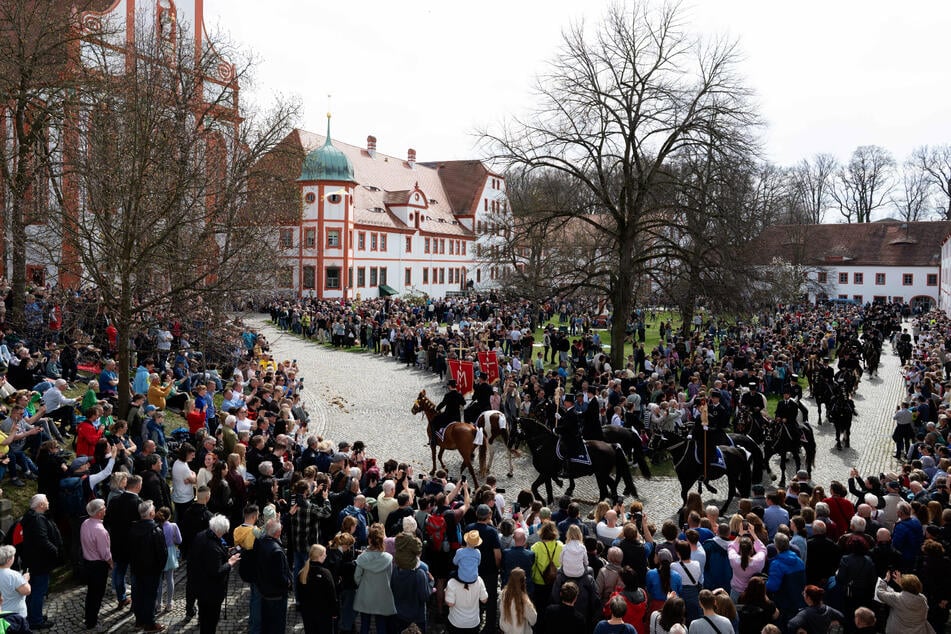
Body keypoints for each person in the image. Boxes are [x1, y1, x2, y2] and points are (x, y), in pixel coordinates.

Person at [188, 514, 241, 634]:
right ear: (219, 531)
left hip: (200, 586)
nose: (223, 535)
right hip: (211, 592)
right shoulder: (212, 547)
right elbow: (217, 571)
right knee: (210, 621)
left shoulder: (201, 535)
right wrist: (230, 562)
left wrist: (225, 551)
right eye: (223, 533)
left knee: (203, 617)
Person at [19, 494, 61, 630]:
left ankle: (32, 616)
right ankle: (36, 620)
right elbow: (42, 540)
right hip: (40, 562)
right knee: (39, 591)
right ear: (41, 505)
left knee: (33, 591)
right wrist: (55, 550)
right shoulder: (37, 519)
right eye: (46, 501)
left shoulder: (31, 517)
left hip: (33, 560)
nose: (48, 502)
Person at [128, 500, 169, 632]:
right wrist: (160, 568)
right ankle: (150, 624)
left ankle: (139, 621)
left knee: (138, 595)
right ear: (151, 513)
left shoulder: (133, 528)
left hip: (136, 569)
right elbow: (162, 554)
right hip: (152, 571)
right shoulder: (156, 530)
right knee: (150, 596)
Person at [354, 523, 396, 634]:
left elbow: (357, 577)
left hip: (366, 593)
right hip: (382, 594)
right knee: (381, 625)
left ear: (369, 540)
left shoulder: (362, 557)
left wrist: (363, 585)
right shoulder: (388, 558)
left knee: (364, 624)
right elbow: (390, 577)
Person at [256, 518, 292, 634]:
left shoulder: (260, 542)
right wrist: (288, 582)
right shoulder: (277, 551)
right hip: (276, 595)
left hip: (264, 590)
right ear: (278, 533)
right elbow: (279, 577)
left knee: (266, 623)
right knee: (277, 625)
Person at [80, 499, 111, 631]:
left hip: (88, 563)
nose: (105, 509)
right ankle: (92, 622)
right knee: (97, 595)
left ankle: (88, 618)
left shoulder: (85, 523)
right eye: (103, 507)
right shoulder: (100, 530)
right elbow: (105, 553)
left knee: (91, 593)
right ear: (98, 512)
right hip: (98, 566)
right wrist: (111, 564)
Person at [299, 544, 338, 634]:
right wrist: (335, 612)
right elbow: (332, 595)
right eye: (324, 554)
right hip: (323, 615)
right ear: (319, 556)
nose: (326, 555)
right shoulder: (325, 573)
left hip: (308, 614)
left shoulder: (301, 572)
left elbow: (300, 594)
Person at [446, 559, 489, 634]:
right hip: (473, 623)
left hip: (456, 623)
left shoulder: (452, 582)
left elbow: (450, 603)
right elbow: (484, 600)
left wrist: (445, 592)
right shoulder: (479, 580)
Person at [500, 567, 537, 634]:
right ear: (522, 582)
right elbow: (533, 619)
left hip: (507, 631)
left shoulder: (503, 594)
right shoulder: (524, 599)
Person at [432, 380, 466, 446]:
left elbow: (443, 404)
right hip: (457, 417)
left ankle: (433, 440)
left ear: (450, 386)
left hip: (448, 416)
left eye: (448, 386)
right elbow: (463, 403)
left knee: (434, 421)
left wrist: (437, 408)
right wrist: (461, 397)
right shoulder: (459, 394)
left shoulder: (448, 395)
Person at [0, 545, 29, 623]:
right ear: (9, 560)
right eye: (13, 556)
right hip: (15, 616)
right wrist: (25, 580)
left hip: (1, 614)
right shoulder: (13, 575)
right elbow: (26, 591)